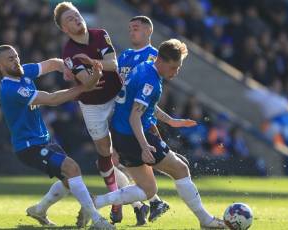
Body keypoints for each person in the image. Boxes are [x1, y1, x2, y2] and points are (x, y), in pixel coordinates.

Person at [80, 39, 226, 229]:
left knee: (148, 189)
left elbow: (145, 106)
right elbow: (135, 116)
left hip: (121, 134)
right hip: (133, 134)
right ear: (162, 61)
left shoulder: (145, 67)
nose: (176, 72)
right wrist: (144, 146)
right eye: (174, 67)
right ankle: (206, 221)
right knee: (181, 169)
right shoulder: (151, 80)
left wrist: (171, 121)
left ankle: (94, 203)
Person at [0, 44, 114, 229]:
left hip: (43, 140)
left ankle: (39, 210)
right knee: (72, 169)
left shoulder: (23, 71)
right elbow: (52, 99)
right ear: (0, 66)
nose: (16, 61)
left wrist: (69, 69)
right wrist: (84, 87)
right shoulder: (10, 89)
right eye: (10, 59)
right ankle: (97, 220)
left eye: (16, 56)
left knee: (68, 180)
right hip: (29, 147)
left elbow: (52, 63)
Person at [116, 15, 196, 225]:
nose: (132, 31)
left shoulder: (155, 57)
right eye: (130, 28)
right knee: (117, 166)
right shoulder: (124, 56)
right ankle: (145, 204)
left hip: (141, 123)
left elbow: (147, 102)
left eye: (137, 28)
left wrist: (164, 123)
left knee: (132, 166)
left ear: (148, 32)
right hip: (122, 120)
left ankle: (144, 203)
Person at [54, 1, 126, 224]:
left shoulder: (99, 34)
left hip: (117, 95)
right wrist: (94, 73)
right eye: (70, 19)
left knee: (127, 143)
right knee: (104, 153)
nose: (76, 19)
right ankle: (117, 199)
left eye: (76, 15)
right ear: (64, 29)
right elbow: (87, 84)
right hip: (92, 105)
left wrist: (93, 64)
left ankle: (133, 199)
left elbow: (113, 63)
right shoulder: (69, 52)